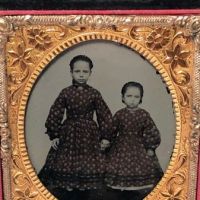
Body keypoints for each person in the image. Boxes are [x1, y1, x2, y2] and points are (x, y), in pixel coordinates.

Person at [38, 55, 112, 200]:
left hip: (90, 134)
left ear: (90, 73)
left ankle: (87, 190)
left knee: (91, 163)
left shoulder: (94, 93)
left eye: (85, 71)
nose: (81, 75)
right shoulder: (65, 92)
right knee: (65, 163)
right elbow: (56, 112)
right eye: (77, 71)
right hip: (69, 132)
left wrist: (105, 137)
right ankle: (69, 188)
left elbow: (104, 115)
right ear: (71, 72)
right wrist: (54, 135)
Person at [105, 81, 163, 200]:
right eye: (129, 96)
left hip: (139, 147)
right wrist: (107, 140)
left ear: (141, 98)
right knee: (118, 167)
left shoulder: (143, 114)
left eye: (136, 97)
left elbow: (152, 131)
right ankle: (122, 189)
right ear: (123, 97)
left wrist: (150, 147)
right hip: (121, 146)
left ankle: (137, 190)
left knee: (141, 168)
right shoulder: (119, 114)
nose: (132, 100)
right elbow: (112, 129)